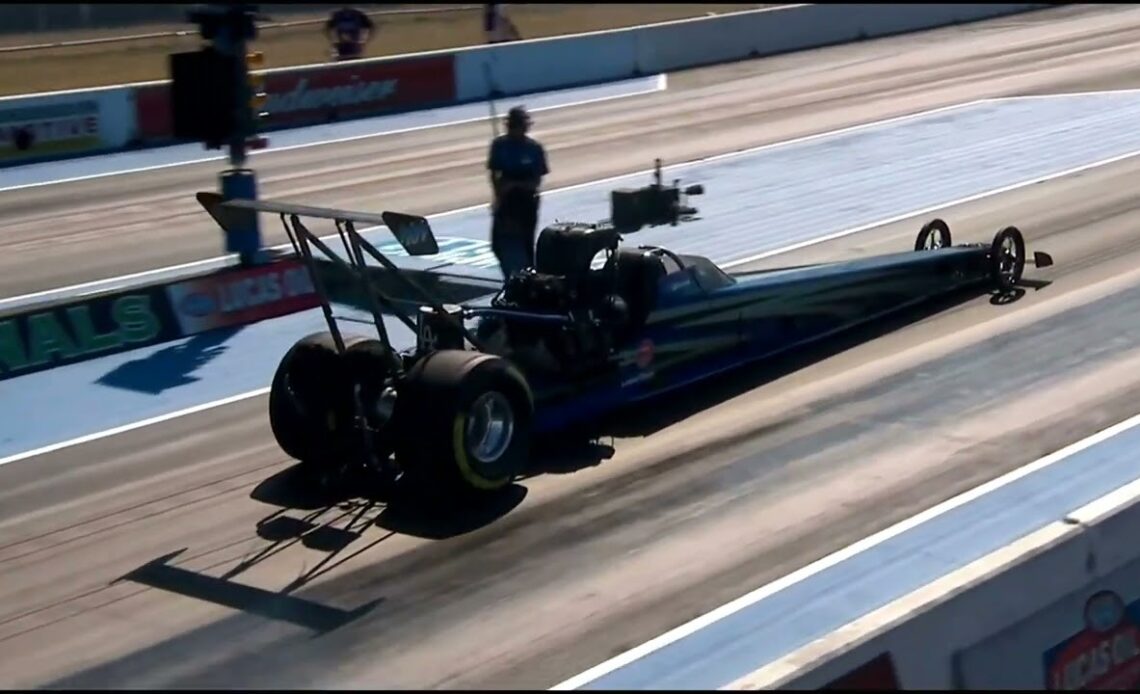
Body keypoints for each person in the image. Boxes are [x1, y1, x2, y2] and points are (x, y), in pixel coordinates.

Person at [487, 106, 548, 279]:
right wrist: (498, 194)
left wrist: (513, 185)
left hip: (526, 201)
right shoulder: (499, 145)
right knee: (498, 243)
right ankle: (510, 276)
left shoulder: (534, 148)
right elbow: (494, 172)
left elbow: (536, 180)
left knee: (525, 244)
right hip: (505, 200)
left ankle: (529, 279)